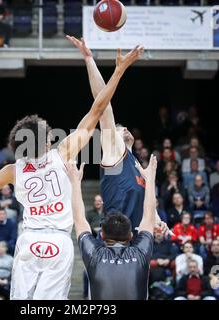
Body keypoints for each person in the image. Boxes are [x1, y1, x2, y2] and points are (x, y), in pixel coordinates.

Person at [0, 45, 143, 300]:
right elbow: (98, 109)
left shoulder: (12, 170)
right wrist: (118, 72)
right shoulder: (63, 153)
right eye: (48, 130)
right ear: (47, 141)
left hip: (29, 241)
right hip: (59, 243)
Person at [66, 36, 167, 234]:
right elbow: (103, 104)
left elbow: (145, 202)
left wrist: (158, 221)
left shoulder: (138, 167)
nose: (124, 128)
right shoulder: (115, 152)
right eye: (119, 128)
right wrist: (89, 59)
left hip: (135, 241)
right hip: (113, 242)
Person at [68, 154, 157, 300]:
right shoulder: (140, 253)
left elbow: (79, 219)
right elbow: (148, 216)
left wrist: (75, 182)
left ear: (101, 235)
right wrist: (150, 179)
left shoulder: (94, 255)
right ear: (131, 236)